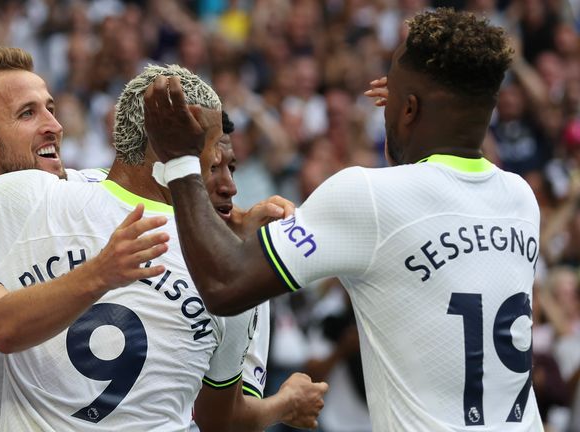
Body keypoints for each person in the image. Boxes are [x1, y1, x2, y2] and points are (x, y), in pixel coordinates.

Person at [0, 59, 327, 431]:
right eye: (29, 113)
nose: (54, 126)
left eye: (51, 108)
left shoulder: (70, 191)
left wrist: (227, 220)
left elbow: (139, 193)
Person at [143, 8, 543, 431]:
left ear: (408, 109)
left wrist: (182, 161)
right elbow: (420, 187)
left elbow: (225, 285)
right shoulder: (521, 199)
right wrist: (411, 117)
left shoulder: (371, 197)